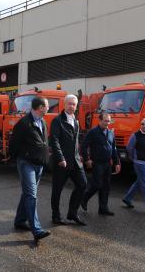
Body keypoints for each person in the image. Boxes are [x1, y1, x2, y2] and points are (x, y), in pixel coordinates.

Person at [9, 96, 51, 243]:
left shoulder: (43, 122)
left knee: (28, 193)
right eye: (46, 106)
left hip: (38, 164)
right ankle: (37, 230)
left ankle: (20, 220)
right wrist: (15, 159)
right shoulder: (24, 123)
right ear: (40, 108)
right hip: (26, 163)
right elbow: (13, 143)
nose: (48, 108)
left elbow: (44, 142)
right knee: (31, 195)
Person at [50, 94, 87, 226]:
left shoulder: (76, 121)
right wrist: (60, 158)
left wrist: (79, 154)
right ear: (64, 105)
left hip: (75, 161)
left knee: (83, 184)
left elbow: (76, 141)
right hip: (62, 162)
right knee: (57, 190)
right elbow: (54, 141)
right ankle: (56, 216)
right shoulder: (57, 121)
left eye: (74, 104)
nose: (71, 106)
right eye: (69, 103)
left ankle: (72, 213)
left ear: (76, 107)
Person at [80, 113, 121, 216]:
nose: (107, 123)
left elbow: (113, 148)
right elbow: (83, 146)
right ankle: (84, 198)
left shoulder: (110, 132)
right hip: (97, 163)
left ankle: (103, 208)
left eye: (109, 121)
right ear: (100, 120)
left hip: (107, 164)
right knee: (97, 184)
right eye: (105, 121)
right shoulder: (93, 132)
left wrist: (116, 162)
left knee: (106, 187)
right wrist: (87, 159)